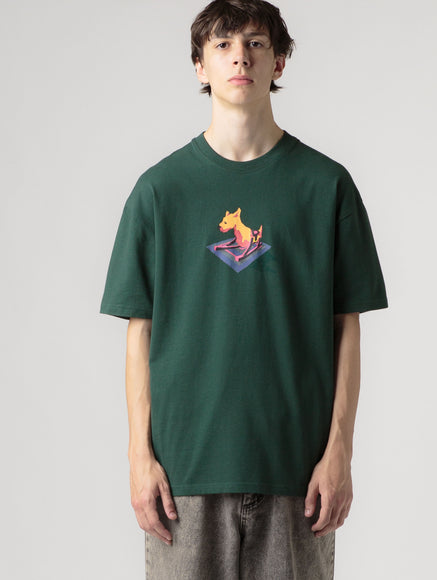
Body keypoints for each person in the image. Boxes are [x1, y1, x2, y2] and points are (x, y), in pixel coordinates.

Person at [100, 0, 388, 577]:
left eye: (256, 43)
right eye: (223, 45)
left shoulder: (326, 186)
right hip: (184, 478)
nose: (240, 57)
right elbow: (140, 332)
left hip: (297, 475)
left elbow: (347, 329)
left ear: (279, 62)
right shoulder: (159, 191)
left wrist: (340, 451)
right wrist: (139, 458)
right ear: (200, 66)